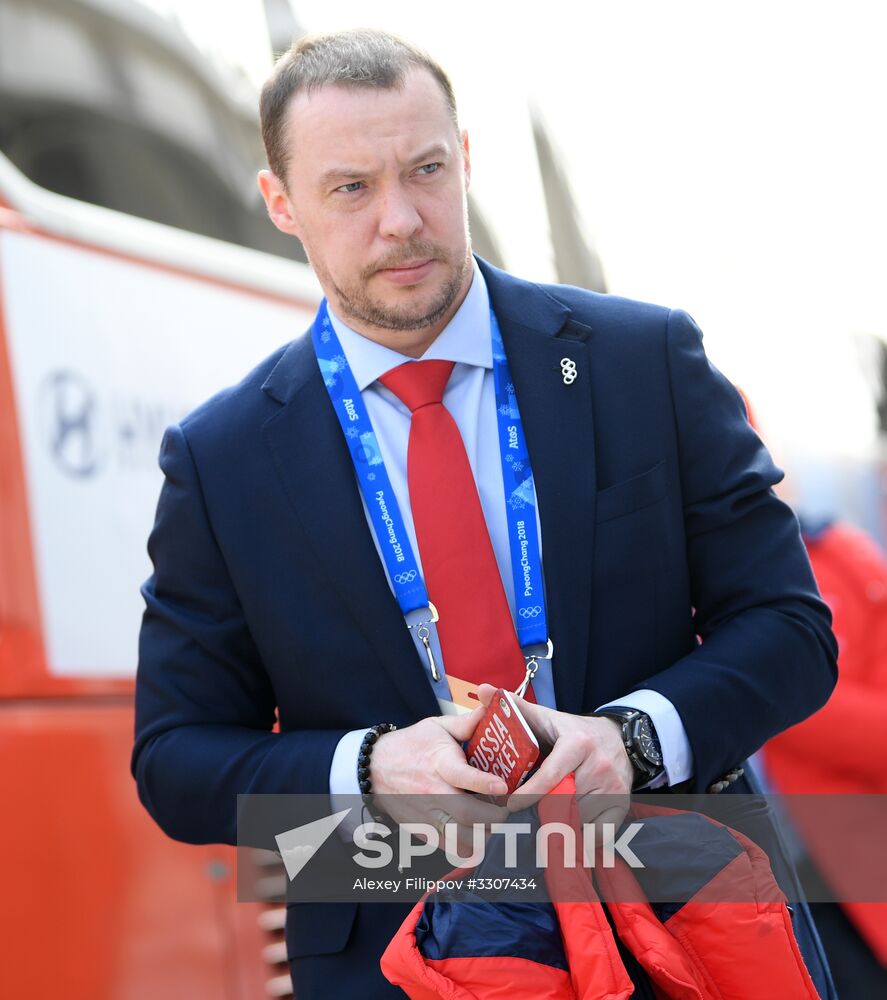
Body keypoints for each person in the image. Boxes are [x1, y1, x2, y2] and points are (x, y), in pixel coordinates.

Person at [131, 29, 838, 999]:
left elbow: (792, 633)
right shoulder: (220, 457)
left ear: (462, 158)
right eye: (349, 188)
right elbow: (175, 760)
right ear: (281, 203)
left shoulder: (643, 362)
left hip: (681, 906)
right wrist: (369, 767)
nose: (400, 220)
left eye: (424, 170)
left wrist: (629, 739)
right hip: (394, 937)